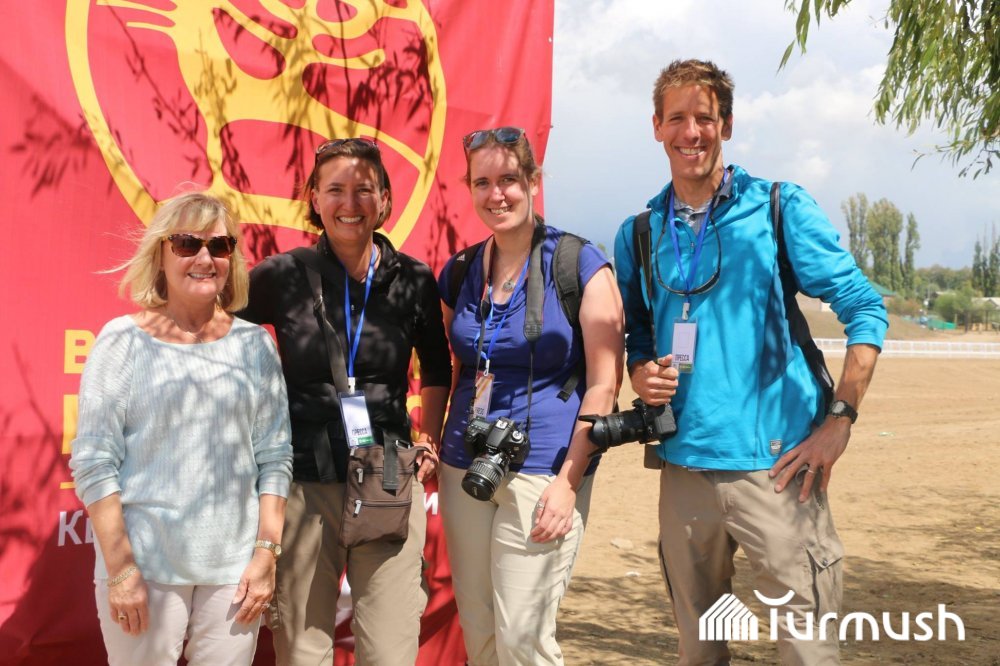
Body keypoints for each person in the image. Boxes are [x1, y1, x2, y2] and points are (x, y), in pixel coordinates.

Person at [613, 59, 889, 665]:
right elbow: (639, 331)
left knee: (807, 650)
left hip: (778, 470)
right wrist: (639, 371)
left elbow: (865, 308)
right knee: (699, 651)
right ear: (656, 127)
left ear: (728, 125)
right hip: (682, 469)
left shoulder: (777, 207)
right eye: (677, 118)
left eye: (704, 117)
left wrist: (840, 419)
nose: (691, 132)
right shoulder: (639, 232)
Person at [240, 137, 451, 665]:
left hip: (387, 475)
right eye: (335, 189)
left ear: (385, 199)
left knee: (390, 648)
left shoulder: (414, 279)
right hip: (304, 482)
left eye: (364, 189)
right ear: (314, 198)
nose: (349, 203)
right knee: (302, 649)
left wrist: (429, 435)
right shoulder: (282, 275)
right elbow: (216, 326)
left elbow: (437, 366)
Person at [70, 191, 293, 665]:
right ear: (161, 254)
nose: (205, 259)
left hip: (235, 572)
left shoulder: (255, 346)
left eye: (220, 245)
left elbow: (274, 459)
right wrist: (121, 568)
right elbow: (93, 463)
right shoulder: (122, 342)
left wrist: (265, 555)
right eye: (188, 243)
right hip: (144, 565)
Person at [436, 126, 624, 666]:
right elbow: (456, 366)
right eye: (483, 182)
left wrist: (570, 483)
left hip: (545, 469)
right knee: (480, 631)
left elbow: (604, 383)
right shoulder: (460, 270)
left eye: (509, 180)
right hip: (465, 466)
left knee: (523, 636)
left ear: (534, 182)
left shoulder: (579, 264)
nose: (497, 194)